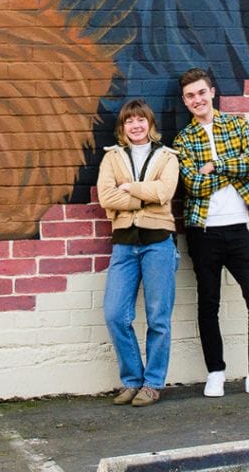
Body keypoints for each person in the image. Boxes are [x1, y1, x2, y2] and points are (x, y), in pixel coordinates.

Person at [173, 67, 249, 398]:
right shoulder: (183, 139)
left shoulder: (237, 124)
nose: (197, 99)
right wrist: (233, 167)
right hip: (203, 232)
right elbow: (192, 185)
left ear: (212, 92)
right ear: (185, 102)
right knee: (208, 302)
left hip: (238, 229)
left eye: (201, 92)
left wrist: (216, 165)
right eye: (190, 96)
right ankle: (215, 372)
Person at [97, 98, 180, 406]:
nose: (135, 125)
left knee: (159, 317)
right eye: (129, 121)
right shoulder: (112, 158)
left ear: (150, 124)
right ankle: (132, 380)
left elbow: (165, 192)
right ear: (123, 127)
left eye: (140, 120)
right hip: (124, 244)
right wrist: (144, 196)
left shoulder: (168, 157)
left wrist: (129, 189)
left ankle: (153, 383)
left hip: (159, 242)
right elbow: (107, 197)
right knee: (115, 314)